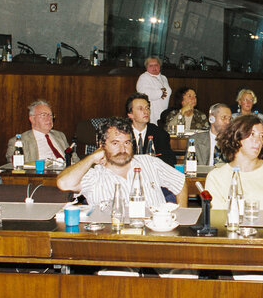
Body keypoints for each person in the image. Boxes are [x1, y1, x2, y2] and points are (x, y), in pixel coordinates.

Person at [57, 116, 186, 207]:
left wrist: (181, 221)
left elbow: (180, 183)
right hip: (112, 240)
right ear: (102, 145)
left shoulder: (150, 163)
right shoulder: (93, 175)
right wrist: (91, 158)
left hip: (154, 236)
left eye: (127, 143)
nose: (123, 149)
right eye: (115, 143)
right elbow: (63, 183)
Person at [205, 115, 263, 211]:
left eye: (261, 136)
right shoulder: (216, 177)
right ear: (236, 137)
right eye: (252, 134)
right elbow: (217, 218)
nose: (258, 141)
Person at [5, 99, 79, 165]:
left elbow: (74, 159)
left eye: (50, 115)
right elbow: (14, 165)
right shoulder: (19, 141)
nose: (49, 119)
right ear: (32, 119)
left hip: (69, 173)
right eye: (43, 115)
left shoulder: (60, 135)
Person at [126, 92, 177, 166]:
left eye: (147, 108)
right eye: (140, 109)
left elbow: (170, 160)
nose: (146, 112)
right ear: (130, 114)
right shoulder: (123, 133)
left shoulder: (159, 133)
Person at [136, 56, 171, 124]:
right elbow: (144, 94)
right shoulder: (144, 77)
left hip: (163, 112)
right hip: (151, 114)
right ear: (146, 67)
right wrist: (160, 93)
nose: (154, 67)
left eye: (156, 65)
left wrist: (162, 92)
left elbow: (167, 92)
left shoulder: (164, 78)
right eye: (151, 65)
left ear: (159, 66)